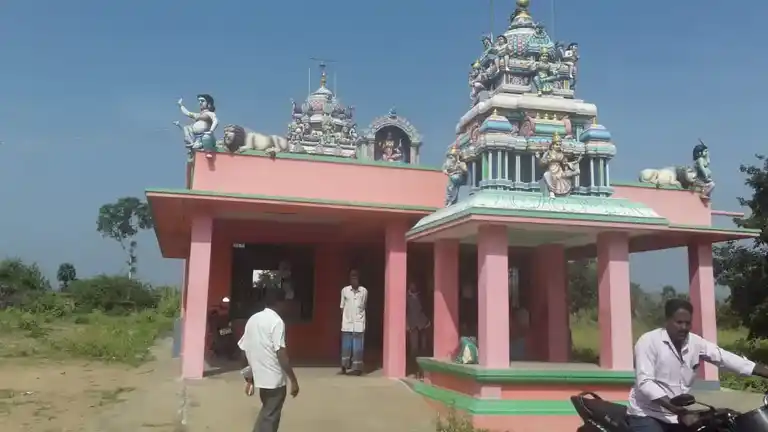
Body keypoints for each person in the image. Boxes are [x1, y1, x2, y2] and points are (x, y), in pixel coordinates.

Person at [627, 298, 768, 432]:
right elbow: (645, 383)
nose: (683, 327)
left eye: (687, 323)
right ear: (667, 321)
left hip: (677, 415)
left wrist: (763, 371)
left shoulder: (695, 343)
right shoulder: (648, 342)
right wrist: (680, 412)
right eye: (679, 322)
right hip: (647, 414)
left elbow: (724, 357)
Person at [238, 289, 299, 432]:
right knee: (269, 419)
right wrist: (294, 380)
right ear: (280, 303)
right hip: (275, 381)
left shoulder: (253, 319)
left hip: (261, 380)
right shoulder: (277, 322)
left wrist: (248, 377)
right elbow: (281, 354)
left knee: (266, 414)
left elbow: (243, 351)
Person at [340, 269, 368, 376]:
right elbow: (342, 306)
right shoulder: (345, 291)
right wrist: (346, 317)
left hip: (359, 324)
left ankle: (357, 368)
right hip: (347, 323)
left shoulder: (364, 291)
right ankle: (344, 366)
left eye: (355, 278)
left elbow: (363, 305)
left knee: (358, 348)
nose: (354, 280)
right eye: (352, 278)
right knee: (346, 347)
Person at [406, 281, 431, 371]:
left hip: (422, 323)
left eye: (414, 285)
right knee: (414, 346)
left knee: (423, 346)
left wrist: (427, 321)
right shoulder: (406, 297)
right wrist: (407, 324)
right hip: (412, 324)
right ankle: (413, 365)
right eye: (411, 285)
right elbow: (405, 311)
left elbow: (426, 308)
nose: (413, 286)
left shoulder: (421, 297)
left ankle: (422, 366)